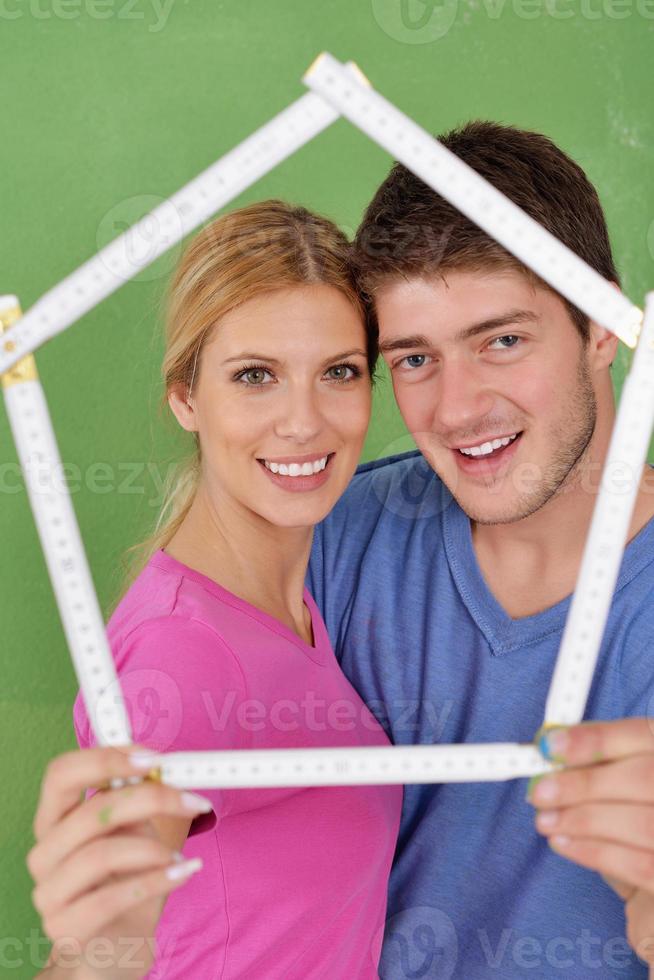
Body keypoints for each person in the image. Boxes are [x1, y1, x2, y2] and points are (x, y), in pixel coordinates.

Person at [306, 119, 654, 978]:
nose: (457, 410)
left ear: (604, 325)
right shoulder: (338, 535)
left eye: (502, 339)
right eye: (416, 358)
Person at [26, 200, 402, 979]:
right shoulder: (186, 656)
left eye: (338, 372)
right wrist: (105, 951)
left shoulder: (286, 600)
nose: (304, 423)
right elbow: (95, 953)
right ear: (186, 397)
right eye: (255, 376)